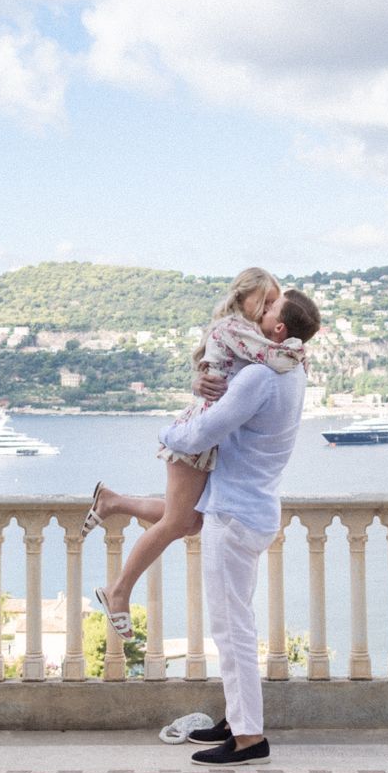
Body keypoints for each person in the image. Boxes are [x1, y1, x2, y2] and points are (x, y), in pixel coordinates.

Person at [84, 268, 305, 631]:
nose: (269, 310)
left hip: (209, 434)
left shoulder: (244, 332)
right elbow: (275, 360)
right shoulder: (236, 329)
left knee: (190, 520)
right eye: (264, 302)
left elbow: (221, 370)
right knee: (177, 521)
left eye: (272, 304)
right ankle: (118, 591)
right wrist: (299, 350)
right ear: (242, 297)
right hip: (197, 434)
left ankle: (112, 502)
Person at [160, 288, 320, 767]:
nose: (258, 311)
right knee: (238, 622)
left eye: (267, 309)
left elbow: (202, 434)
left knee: (231, 630)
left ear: (277, 330)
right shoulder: (293, 373)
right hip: (256, 511)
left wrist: (166, 434)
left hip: (232, 516)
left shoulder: (258, 376)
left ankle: (249, 737)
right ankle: (236, 719)